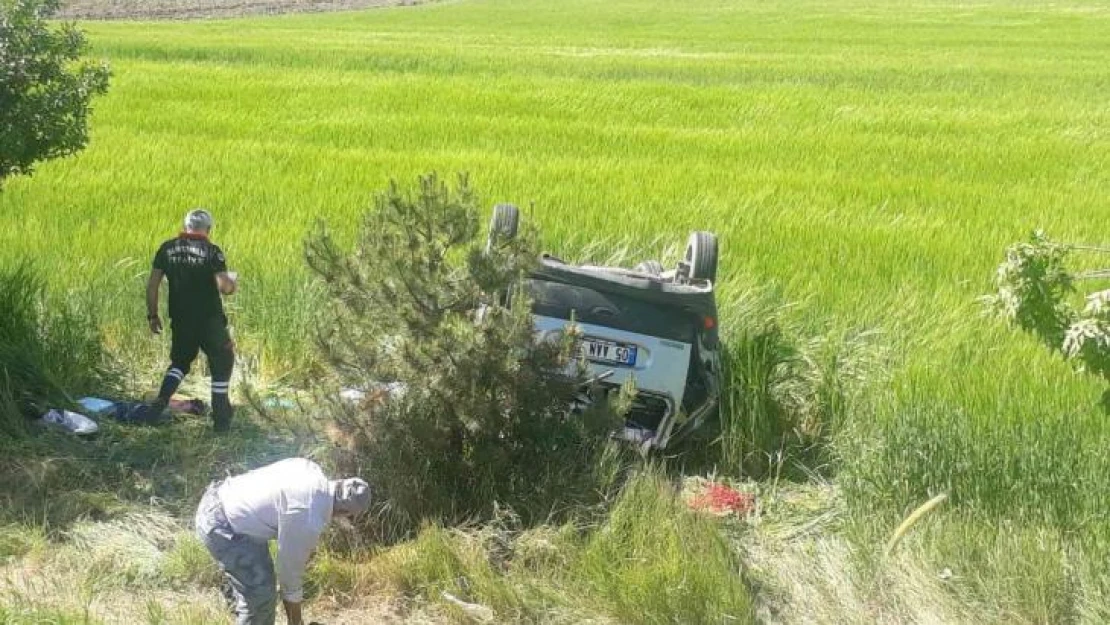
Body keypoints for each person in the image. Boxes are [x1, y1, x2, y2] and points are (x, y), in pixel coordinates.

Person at [195, 458, 372, 625]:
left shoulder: (309, 468)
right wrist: (296, 622)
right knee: (262, 597)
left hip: (219, 497)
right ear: (345, 513)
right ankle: (247, 601)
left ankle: (240, 597)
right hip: (223, 527)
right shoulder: (309, 518)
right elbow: (289, 579)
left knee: (258, 581)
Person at [146, 208, 238, 431]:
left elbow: (152, 285)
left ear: (186, 226)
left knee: (179, 362)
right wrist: (232, 281)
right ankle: (221, 418)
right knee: (222, 360)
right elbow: (225, 289)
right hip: (210, 321)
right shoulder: (212, 252)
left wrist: (153, 315)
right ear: (208, 229)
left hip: (181, 320)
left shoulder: (167, 249)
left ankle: (161, 401)